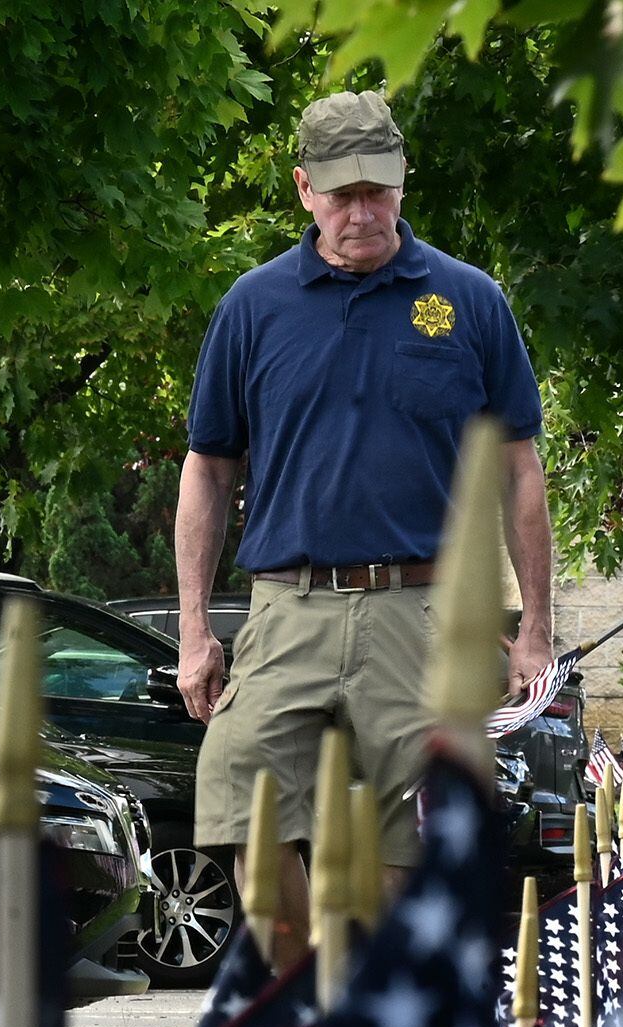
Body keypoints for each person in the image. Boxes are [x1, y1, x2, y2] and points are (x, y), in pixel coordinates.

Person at [175, 89, 558, 966]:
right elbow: (209, 467)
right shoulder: (253, 305)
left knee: (409, 852)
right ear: (304, 189)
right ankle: (313, 994)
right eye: (341, 194)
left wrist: (534, 630)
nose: (361, 212)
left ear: (401, 183)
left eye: (376, 191)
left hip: (423, 615)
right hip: (287, 609)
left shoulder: (467, 300)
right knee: (239, 795)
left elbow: (518, 471)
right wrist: (196, 629)